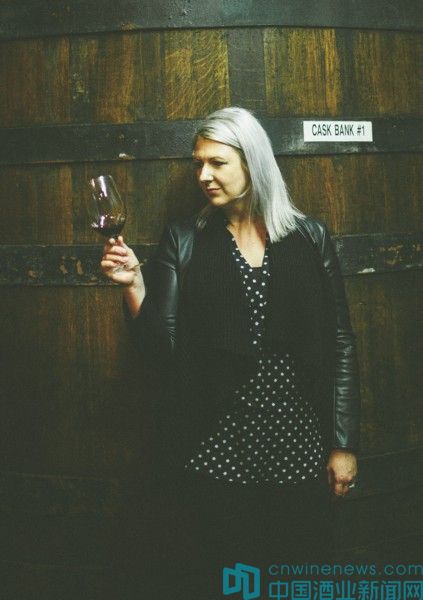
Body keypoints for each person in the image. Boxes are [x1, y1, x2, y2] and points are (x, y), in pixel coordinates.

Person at [101, 107, 360, 599]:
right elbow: (162, 352)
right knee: (222, 577)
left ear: (252, 162)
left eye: (217, 162)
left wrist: (343, 444)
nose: (203, 175)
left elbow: (340, 343)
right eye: (198, 163)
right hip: (216, 447)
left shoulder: (310, 237)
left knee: (294, 571)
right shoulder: (185, 239)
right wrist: (134, 284)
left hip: (297, 445)